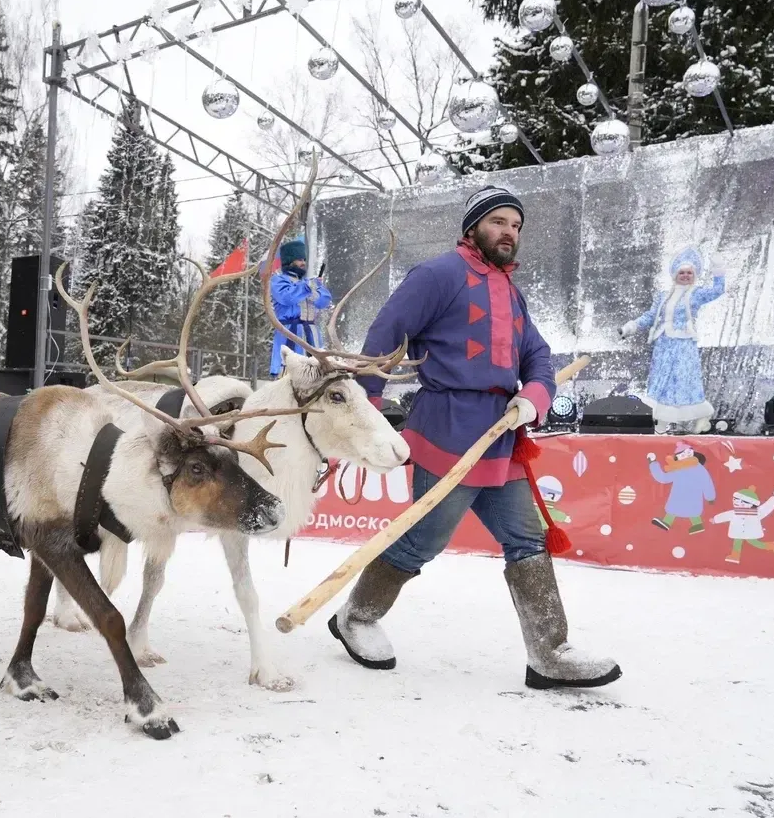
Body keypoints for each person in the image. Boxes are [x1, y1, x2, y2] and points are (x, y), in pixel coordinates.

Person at [328, 185, 621, 690]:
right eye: (498, 222)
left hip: (501, 435)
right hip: (448, 427)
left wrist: (532, 397)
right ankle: (356, 617)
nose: (509, 232)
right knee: (424, 539)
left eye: (516, 225)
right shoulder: (437, 275)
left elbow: (538, 356)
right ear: (473, 227)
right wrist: (367, 410)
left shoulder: (511, 291)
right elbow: (386, 332)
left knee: (526, 538)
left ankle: (550, 653)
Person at [619, 247, 726, 433]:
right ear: (675, 274)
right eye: (682, 272)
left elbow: (718, 290)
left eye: (689, 273)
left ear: (694, 275)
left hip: (684, 344)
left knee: (684, 380)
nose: (685, 276)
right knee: (661, 382)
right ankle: (661, 422)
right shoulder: (663, 295)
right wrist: (631, 327)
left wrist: (718, 269)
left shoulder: (696, 293)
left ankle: (702, 415)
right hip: (664, 345)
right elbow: (651, 316)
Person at [268, 236, 332, 378]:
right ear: (289, 261)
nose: (303, 263)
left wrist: (312, 289)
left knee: (317, 373)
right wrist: (308, 288)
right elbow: (286, 297)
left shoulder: (309, 282)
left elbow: (324, 300)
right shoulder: (278, 280)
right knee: (289, 375)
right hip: (290, 333)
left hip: (312, 334)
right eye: (299, 260)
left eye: (304, 259)